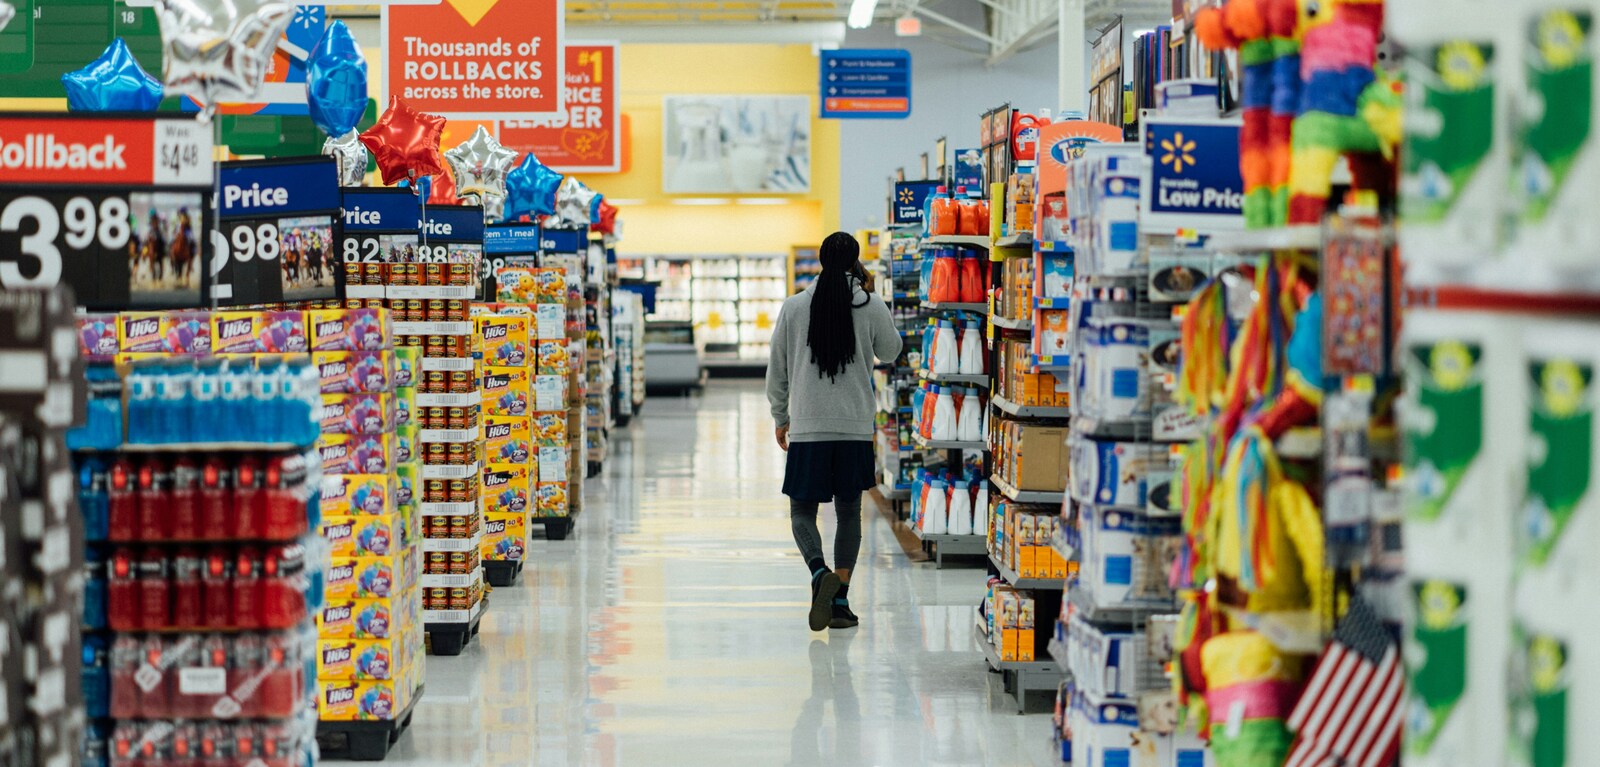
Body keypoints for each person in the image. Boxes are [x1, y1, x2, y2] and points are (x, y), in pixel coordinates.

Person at [766, 231, 902, 631]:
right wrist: (873, 297)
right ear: (856, 262)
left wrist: (780, 416)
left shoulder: (794, 307)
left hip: (808, 425)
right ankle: (840, 601)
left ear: (822, 260)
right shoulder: (869, 303)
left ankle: (817, 572)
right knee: (848, 511)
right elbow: (891, 351)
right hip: (855, 427)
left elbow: (777, 369)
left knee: (802, 511)